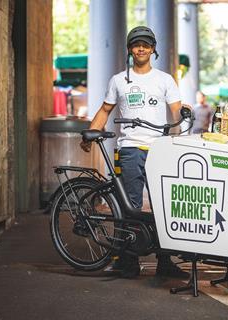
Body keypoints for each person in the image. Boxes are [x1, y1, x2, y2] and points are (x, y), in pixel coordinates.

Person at [80, 26, 189, 279]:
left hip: (159, 149)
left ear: (153, 49)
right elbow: (105, 110)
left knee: (164, 206)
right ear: (130, 49)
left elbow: (175, 110)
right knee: (131, 206)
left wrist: (180, 131)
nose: (141, 48)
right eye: (136, 44)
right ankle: (128, 261)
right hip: (129, 149)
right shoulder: (119, 80)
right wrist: (91, 131)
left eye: (146, 44)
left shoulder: (165, 80)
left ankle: (165, 260)